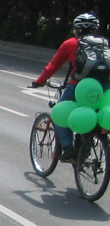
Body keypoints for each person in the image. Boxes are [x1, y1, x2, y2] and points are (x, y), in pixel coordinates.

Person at [30, 13, 103, 160]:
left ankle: (68, 148)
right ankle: (90, 142)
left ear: (76, 29)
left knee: (60, 114)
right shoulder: (104, 43)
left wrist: (40, 81)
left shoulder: (71, 43)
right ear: (95, 29)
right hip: (103, 88)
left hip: (79, 86)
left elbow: (53, 66)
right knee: (96, 116)